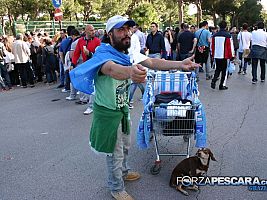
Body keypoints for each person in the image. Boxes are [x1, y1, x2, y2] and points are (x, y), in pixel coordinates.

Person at [69, 15, 199, 200]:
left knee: (125, 146)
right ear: (109, 33)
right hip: (108, 115)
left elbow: (153, 62)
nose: (126, 34)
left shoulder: (127, 54)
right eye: (120, 30)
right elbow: (112, 69)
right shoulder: (103, 55)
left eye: (128, 29)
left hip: (122, 110)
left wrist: (180, 64)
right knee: (114, 153)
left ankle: (124, 171)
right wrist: (131, 72)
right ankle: (116, 188)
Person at [210, 21, 235, 90]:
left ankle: (214, 80)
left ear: (219, 26)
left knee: (217, 69)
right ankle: (222, 85)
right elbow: (231, 46)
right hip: (225, 55)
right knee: (224, 70)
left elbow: (211, 46)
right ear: (226, 27)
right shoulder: (228, 35)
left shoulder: (214, 35)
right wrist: (232, 56)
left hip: (217, 55)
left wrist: (212, 54)